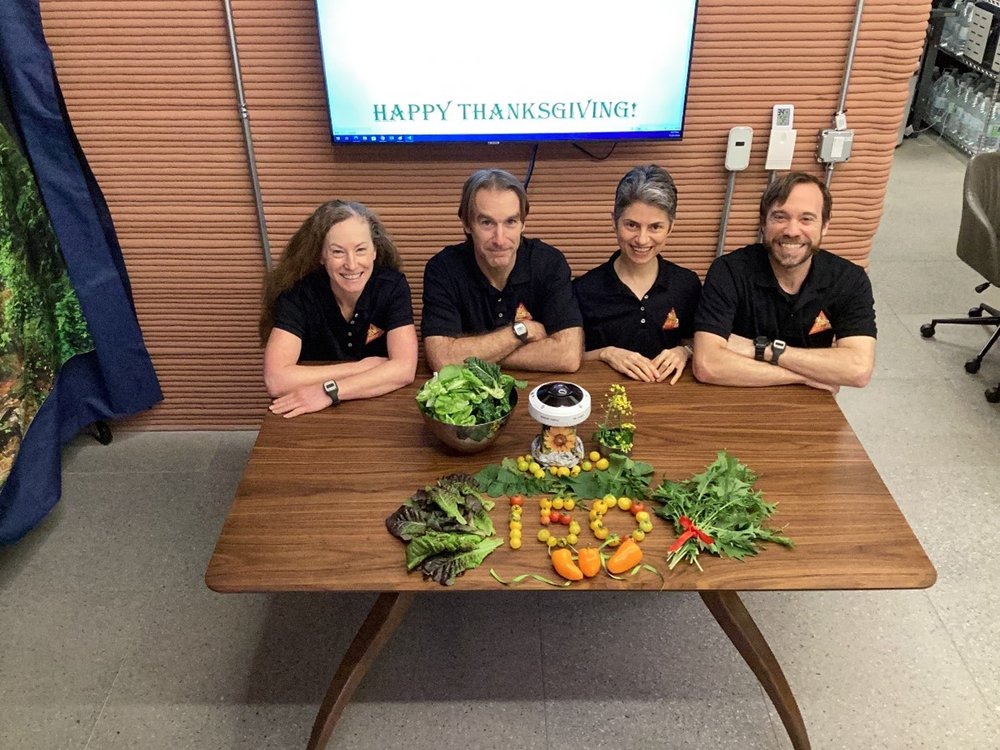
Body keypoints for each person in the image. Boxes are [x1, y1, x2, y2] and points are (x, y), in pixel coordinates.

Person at [692, 171, 876, 392]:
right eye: (780, 217)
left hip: (809, 407)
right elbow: (708, 365)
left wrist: (765, 350)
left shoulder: (850, 280)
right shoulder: (729, 271)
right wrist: (802, 378)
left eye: (806, 219)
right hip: (734, 397)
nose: (791, 231)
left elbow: (858, 370)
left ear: (825, 226)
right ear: (763, 223)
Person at [259, 200, 418, 417]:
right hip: (310, 409)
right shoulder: (298, 292)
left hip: (377, 404)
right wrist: (362, 367)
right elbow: (276, 380)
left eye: (361, 250)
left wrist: (329, 391)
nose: (351, 264)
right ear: (321, 256)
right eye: (337, 252)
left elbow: (405, 369)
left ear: (374, 251)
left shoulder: (392, 286)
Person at [421, 168, 584, 373]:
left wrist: (473, 354)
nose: (500, 239)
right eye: (487, 222)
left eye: (510, 222)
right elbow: (442, 360)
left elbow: (567, 356)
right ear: (466, 223)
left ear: (523, 223)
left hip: (538, 394)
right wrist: (522, 332)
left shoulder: (549, 263)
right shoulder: (442, 269)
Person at [574, 164, 701, 383]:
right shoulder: (583, 289)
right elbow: (569, 357)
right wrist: (606, 353)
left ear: (670, 228)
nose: (642, 239)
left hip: (670, 401)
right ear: (614, 222)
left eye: (655, 227)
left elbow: (699, 341)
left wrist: (685, 352)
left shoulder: (687, 284)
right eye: (631, 225)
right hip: (602, 401)